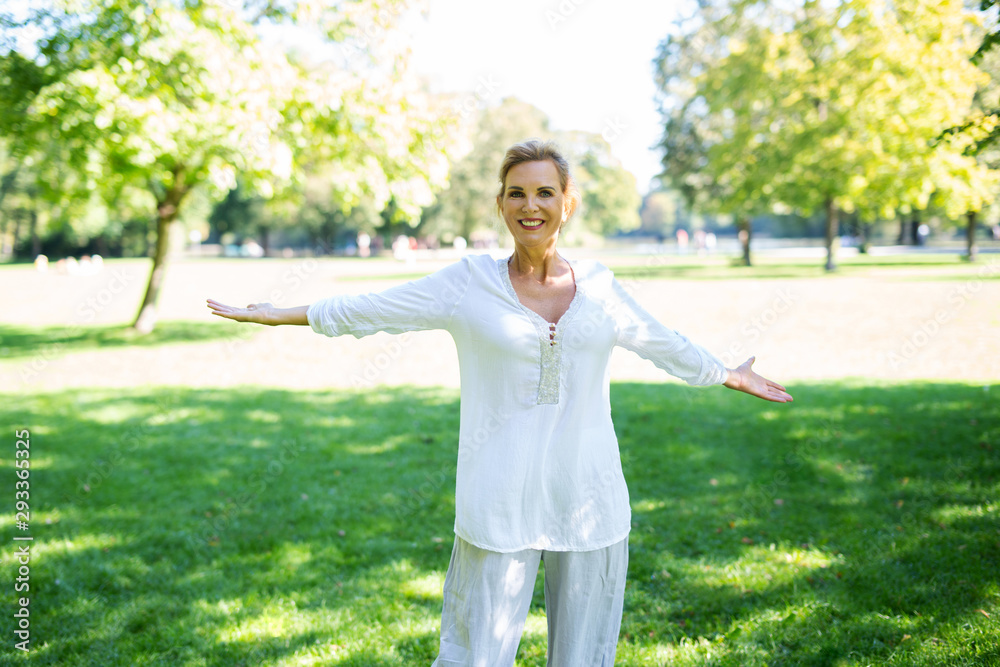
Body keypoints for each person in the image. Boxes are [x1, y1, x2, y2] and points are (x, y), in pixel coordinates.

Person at [206, 139, 793, 666]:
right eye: (517, 193)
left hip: (589, 498)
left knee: (586, 656)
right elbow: (376, 308)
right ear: (500, 204)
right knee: (475, 655)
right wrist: (280, 314)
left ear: (568, 203)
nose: (530, 205)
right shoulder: (469, 282)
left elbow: (662, 341)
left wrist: (726, 373)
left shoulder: (601, 287)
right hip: (496, 501)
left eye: (544, 192)